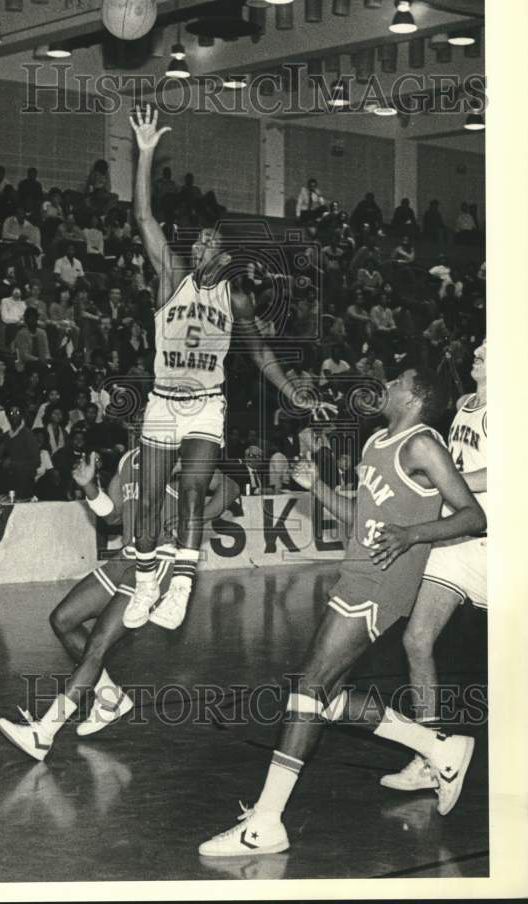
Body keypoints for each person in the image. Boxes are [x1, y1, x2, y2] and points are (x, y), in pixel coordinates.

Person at [198, 366, 486, 858]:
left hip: (383, 582)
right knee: (324, 698)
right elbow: (362, 517)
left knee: (309, 688)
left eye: (397, 381)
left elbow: (473, 514)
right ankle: (440, 748)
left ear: (415, 397)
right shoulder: (378, 442)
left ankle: (266, 823)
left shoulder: (423, 444)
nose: (386, 386)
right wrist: (315, 486)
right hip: (357, 574)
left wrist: (412, 535)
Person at [122, 106, 326, 633]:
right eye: (197, 241)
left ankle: (182, 588)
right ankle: (148, 580)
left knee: (193, 490)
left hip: (207, 405)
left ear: (225, 254)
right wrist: (144, 154)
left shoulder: (236, 302)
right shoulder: (172, 278)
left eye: (210, 241)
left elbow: (260, 355)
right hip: (163, 401)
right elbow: (143, 218)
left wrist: (294, 392)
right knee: (146, 503)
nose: (200, 243)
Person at [0, 445, 239, 760]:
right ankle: (110, 699)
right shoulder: (128, 459)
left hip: (161, 560)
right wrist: (88, 486)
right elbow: (113, 516)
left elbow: (229, 487)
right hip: (126, 558)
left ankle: (44, 733)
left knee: (97, 645)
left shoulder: (179, 457)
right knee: (64, 619)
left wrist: (192, 517)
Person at [381, 341, 487, 793]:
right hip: (458, 541)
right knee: (417, 640)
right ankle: (431, 752)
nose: (478, 349)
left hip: (501, 547)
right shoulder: (466, 405)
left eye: (488, 348)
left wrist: (446, 482)